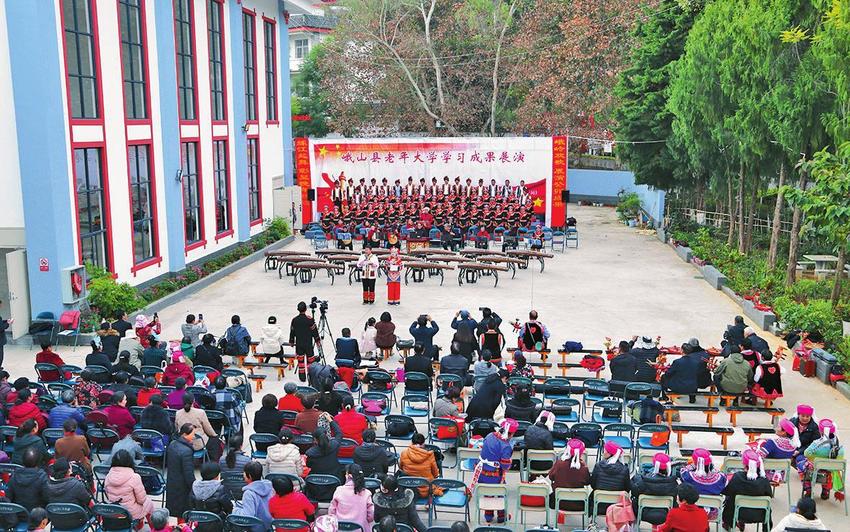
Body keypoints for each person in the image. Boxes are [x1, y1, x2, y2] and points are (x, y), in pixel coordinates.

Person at [473, 419, 517, 524]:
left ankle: (488, 515)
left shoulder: (489, 435)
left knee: (487, 492)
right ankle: (502, 515)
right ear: (511, 434)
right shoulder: (506, 446)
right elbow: (505, 466)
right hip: (495, 476)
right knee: (502, 492)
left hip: (481, 472)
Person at [722, 449, 773, 530]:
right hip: (759, 515)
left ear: (744, 464)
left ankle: (729, 523)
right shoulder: (764, 481)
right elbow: (770, 495)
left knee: (730, 498)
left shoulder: (737, 477)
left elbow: (728, 492)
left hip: (738, 513)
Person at [104, 450, 154, 522]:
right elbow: (141, 500)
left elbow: (108, 495)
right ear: (129, 461)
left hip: (115, 510)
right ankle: (154, 527)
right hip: (130, 513)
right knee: (149, 503)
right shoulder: (134, 477)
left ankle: (138, 524)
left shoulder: (108, 476)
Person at [630, 453, 679, 526]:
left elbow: (634, 493)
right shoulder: (673, 484)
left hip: (643, 513)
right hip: (666, 514)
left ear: (654, 464)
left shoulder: (641, 481)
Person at [189, 462, 233, 532]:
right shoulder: (220, 488)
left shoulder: (194, 487)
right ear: (216, 476)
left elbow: (191, 505)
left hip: (199, 524)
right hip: (217, 524)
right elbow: (228, 507)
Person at [549, 439, 591, 512]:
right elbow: (587, 482)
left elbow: (551, 477)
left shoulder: (559, 464)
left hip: (558, 502)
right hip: (578, 503)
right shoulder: (583, 468)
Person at [165, 423, 197, 518]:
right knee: (183, 513)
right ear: (184, 434)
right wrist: (193, 486)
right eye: (193, 434)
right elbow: (188, 473)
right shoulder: (186, 451)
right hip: (182, 486)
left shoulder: (172, 444)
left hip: (172, 482)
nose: (194, 436)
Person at [329, 464, 374, 531]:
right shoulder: (367, 493)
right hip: (360, 529)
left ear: (349, 476)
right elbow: (370, 516)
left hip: (340, 529)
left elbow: (331, 512)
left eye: (346, 474)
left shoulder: (339, 490)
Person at [590, 441, 631, 514]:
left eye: (605, 450)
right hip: (616, 506)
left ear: (610, 454)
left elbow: (593, 485)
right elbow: (627, 489)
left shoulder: (598, 466)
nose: (603, 452)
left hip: (598, 504)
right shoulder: (625, 469)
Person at [233, 461, 274, 532]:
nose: (243, 475)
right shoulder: (269, 487)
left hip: (256, 528)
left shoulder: (249, 493)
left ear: (250, 476)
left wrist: (235, 510)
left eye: (244, 473)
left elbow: (248, 516)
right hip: (269, 525)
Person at [290, 302, 321, 382]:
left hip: (299, 344)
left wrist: (292, 341)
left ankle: (302, 378)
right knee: (310, 362)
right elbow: (315, 331)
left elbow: (292, 332)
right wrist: (317, 340)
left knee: (300, 362)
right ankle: (310, 377)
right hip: (308, 344)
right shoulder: (309, 319)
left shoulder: (294, 320)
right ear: (306, 309)